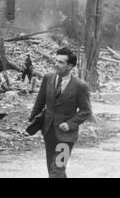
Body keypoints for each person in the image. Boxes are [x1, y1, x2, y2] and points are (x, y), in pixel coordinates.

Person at [28, 47, 93, 178]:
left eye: (60, 62)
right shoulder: (48, 78)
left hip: (66, 136)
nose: (56, 64)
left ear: (70, 66)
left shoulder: (80, 86)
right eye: (56, 60)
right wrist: (32, 120)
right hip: (48, 131)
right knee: (53, 169)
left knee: (57, 171)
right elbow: (40, 101)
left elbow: (86, 111)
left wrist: (70, 124)